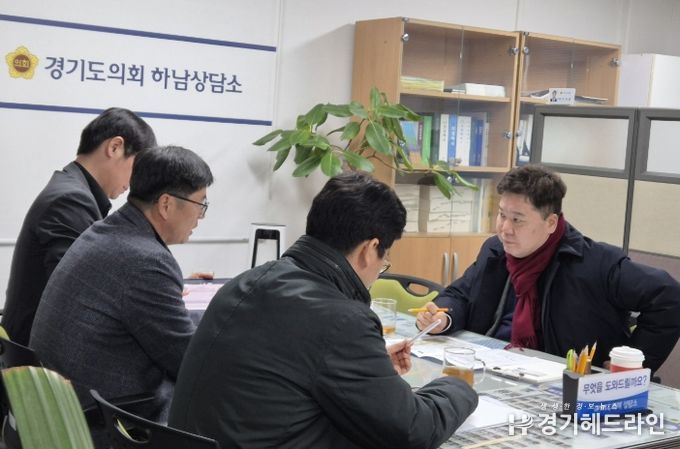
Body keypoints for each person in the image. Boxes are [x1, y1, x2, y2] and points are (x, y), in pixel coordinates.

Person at [168, 173, 478, 449]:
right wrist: (458, 384)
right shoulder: (343, 320)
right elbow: (413, 430)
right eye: (385, 259)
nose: (380, 268)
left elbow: (289, 366)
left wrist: (369, 367)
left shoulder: (247, 281)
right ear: (370, 249)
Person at [416, 164, 680, 372]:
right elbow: (461, 294)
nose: (505, 229)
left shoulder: (595, 263)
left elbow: (668, 297)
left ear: (551, 223)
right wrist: (442, 318)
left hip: (561, 382)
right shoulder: (496, 250)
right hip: (492, 367)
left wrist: (634, 362)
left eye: (517, 220)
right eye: (502, 215)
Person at [30, 146, 213, 432]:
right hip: (100, 423)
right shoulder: (148, 261)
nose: (200, 217)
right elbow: (186, 362)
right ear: (166, 204)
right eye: (200, 204)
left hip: (56, 409)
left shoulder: (104, 231)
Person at [2, 107, 156, 346]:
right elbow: (83, 294)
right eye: (138, 167)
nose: (136, 182)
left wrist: (159, 286)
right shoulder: (71, 199)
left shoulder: (74, 189)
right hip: (38, 357)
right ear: (115, 147)